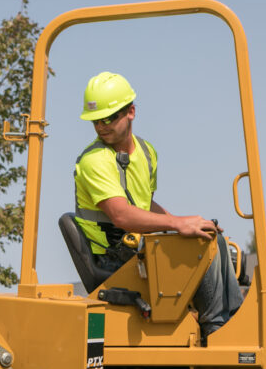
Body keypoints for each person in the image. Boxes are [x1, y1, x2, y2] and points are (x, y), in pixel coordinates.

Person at [72, 71, 242, 336]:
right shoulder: (94, 161)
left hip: (138, 245)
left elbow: (144, 203)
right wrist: (177, 225)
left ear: (131, 112)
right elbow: (121, 215)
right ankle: (218, 331)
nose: (101, 126)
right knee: (199, 244)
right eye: (95, 120)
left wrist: (184, 224)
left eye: (108, 117)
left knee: (210, 236)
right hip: (114, 255)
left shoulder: (147, 153)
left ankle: (233, 321)